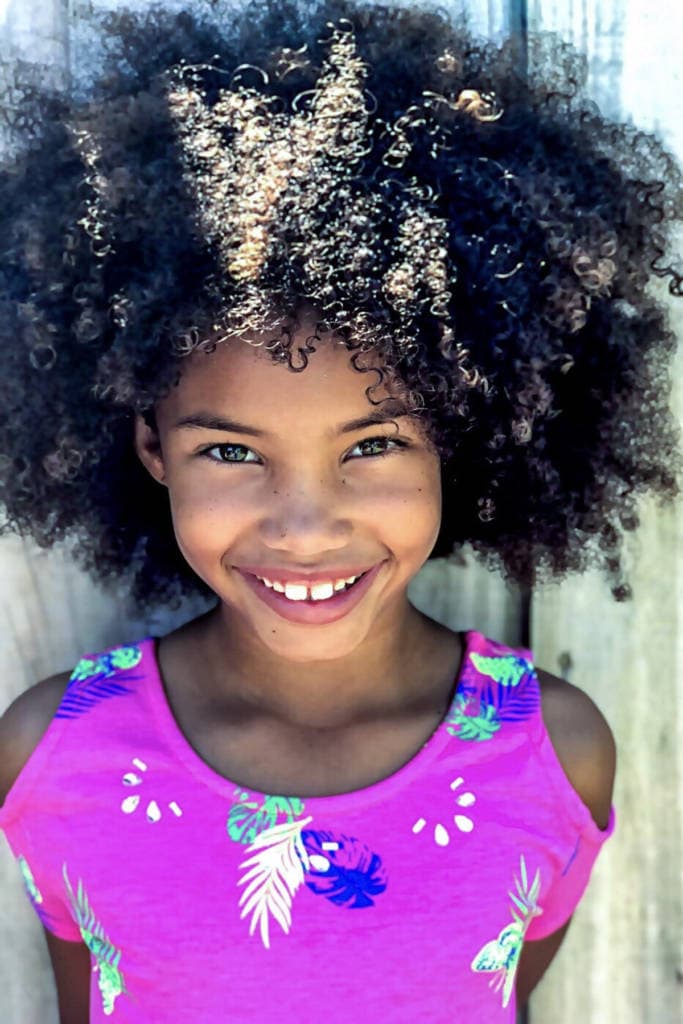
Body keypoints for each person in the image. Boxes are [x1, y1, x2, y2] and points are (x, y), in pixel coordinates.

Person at [0, 0, 680, 1019]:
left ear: (454, 431)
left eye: (372, 445)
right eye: (230, 450)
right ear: (148, 444)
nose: (305, 526)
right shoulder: (53, 753)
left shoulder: (550, 752)